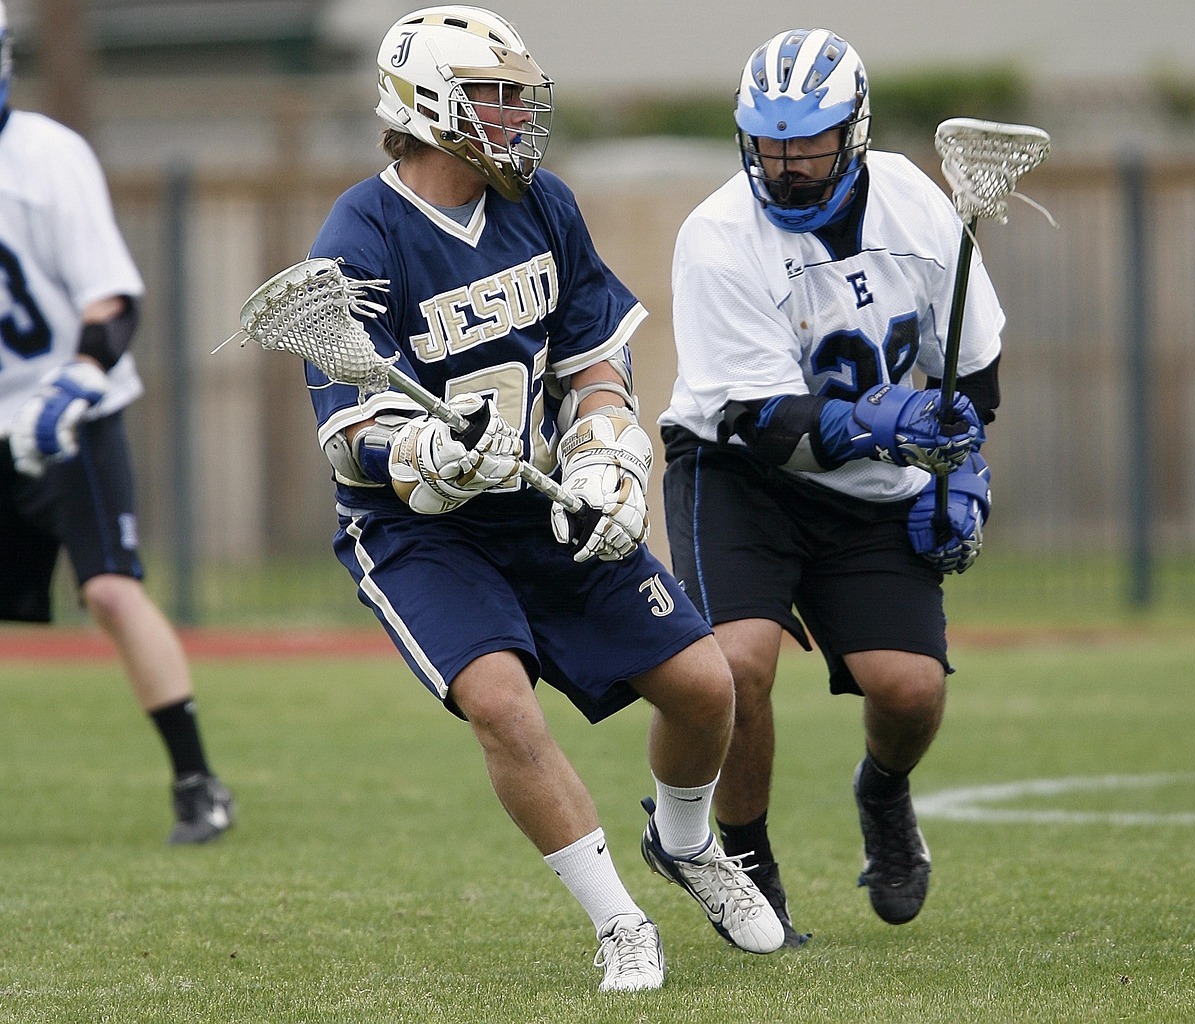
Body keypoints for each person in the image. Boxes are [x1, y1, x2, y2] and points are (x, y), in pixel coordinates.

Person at [299, 6, 783, 993]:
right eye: (497, 95)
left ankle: (684, 843)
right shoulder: (360, 232)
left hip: (537, 499)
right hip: (419, 531)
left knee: (703, 686)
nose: (518, 114)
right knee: (503, 708)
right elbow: (351, 436)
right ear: (429, 105)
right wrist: (430, 448)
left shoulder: (541, 203)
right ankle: (618, 923)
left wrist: (606, 451)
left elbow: (592, 355)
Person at [658, 27, 1001, 944]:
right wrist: (884, 421)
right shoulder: (718, 236)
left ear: (853, 131)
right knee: (735, 669)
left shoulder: (918, 209)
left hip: (871, 490)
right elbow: (764, 425)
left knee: (912, 692)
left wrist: (960, 466)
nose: (788, 163)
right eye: (770, 143)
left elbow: (976, 378)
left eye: (808, 141)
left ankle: (883, 797)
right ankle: (747, 862)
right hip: (738, 474)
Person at [0, 2, 234, 844]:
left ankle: (197, 781)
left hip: (66, 407)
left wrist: (79, 380)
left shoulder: (46, 157)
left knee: (107, 588)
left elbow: (112, 296)